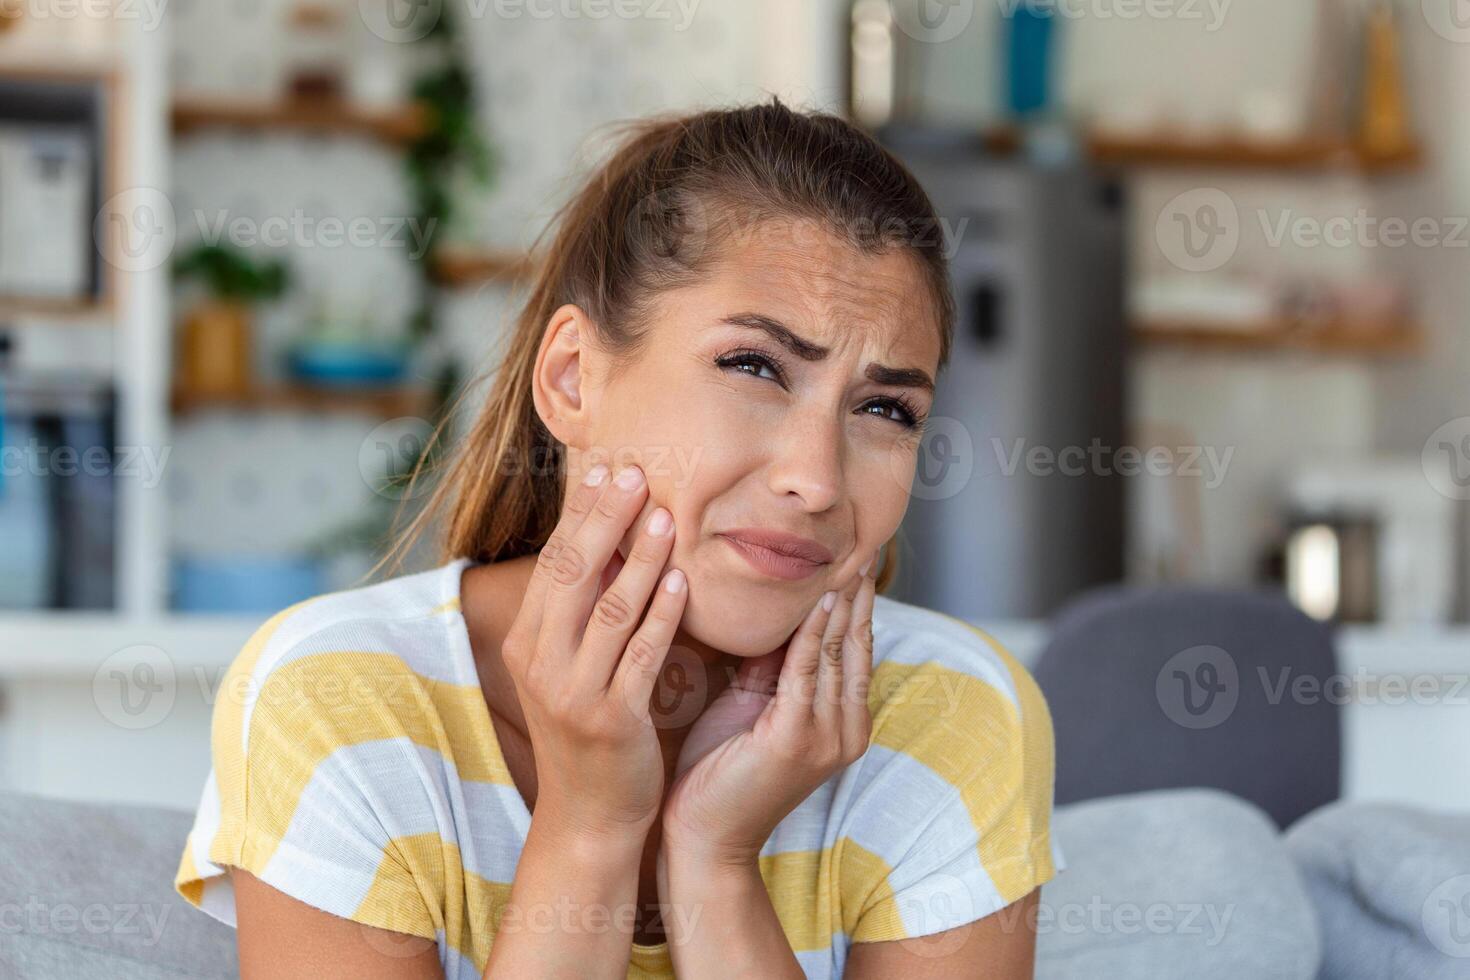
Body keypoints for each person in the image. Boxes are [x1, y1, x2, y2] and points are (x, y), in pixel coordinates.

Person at [174, 99, 1062, 979]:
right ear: (571, 380)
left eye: (884, 409)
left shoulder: (957, 716)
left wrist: (714, 864)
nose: (817, 481)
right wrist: (588, 828)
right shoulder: (335, 702)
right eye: (754, 367)